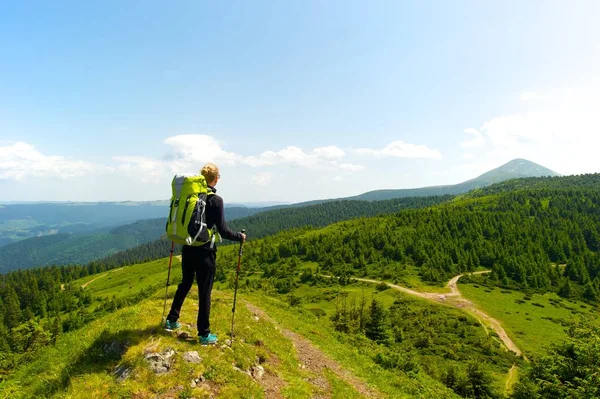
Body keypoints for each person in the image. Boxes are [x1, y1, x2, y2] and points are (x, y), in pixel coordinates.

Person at [165, 163, 246, 345]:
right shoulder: (215, 200)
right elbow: (223, 231)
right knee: (204, 292)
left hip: (188, 247)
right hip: (205, 252)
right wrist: (240, 237)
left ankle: (171, 319)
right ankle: (204, 334)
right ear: (216, 178)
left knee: (185, 283)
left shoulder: (191, 197)